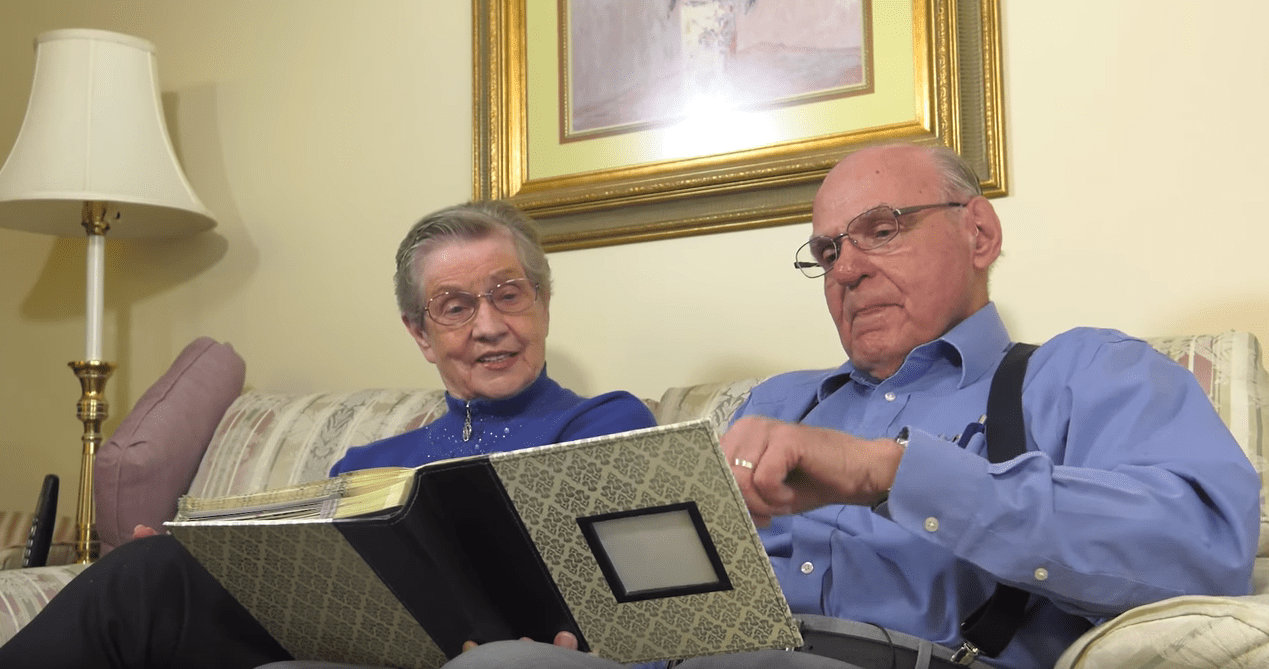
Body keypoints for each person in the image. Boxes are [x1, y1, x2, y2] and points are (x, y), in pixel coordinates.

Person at [447, 144, 1261, 669]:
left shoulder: (1083, 371)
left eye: (881, 229)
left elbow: (1205, 551)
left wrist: (886, 472)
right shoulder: (776, 402)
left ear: (978, 234)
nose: (845, 268)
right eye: (828, 249)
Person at [0, 200, 656, 668]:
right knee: (150, 573)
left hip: (514, 654)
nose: (488, 325)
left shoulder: (608, 423)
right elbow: (311, 595)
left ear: (542, 303)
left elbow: (640, 604)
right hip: (355, 649)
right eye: (455, 307)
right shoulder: (365, 466)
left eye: (508, 294)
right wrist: (207, 562)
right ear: (421, 335)